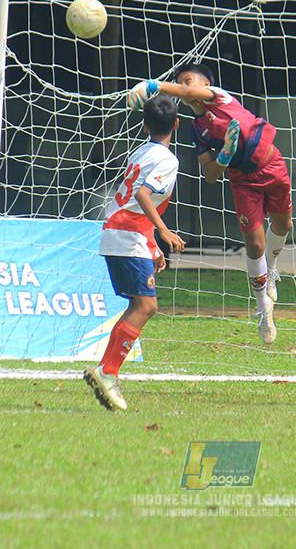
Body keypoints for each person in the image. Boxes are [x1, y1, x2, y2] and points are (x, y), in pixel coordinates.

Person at [127, 64, 292, 345]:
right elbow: (210, 174)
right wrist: (224, 158)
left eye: (188, 81)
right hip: (243, 180)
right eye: (180, 84)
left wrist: (154, 85)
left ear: (205, 83)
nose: (184, 89)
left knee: (284, 224)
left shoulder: (220, 98)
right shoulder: (197, 129)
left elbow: (188, 91)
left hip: (271, 163)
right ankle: (264, 307)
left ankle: (271, 270)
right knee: (255, 244)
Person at [85, 96, 186, 411]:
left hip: (118, 232)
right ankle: (107, 371)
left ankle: (105, 370)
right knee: (146, 306)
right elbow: (143, 195)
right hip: (128, 235)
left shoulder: (139, 151)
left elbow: (132, 197)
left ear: (144, 125)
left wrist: (152, 244)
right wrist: (164, 232)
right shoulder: (168, 160)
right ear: (177, 125)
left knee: (139, 305)